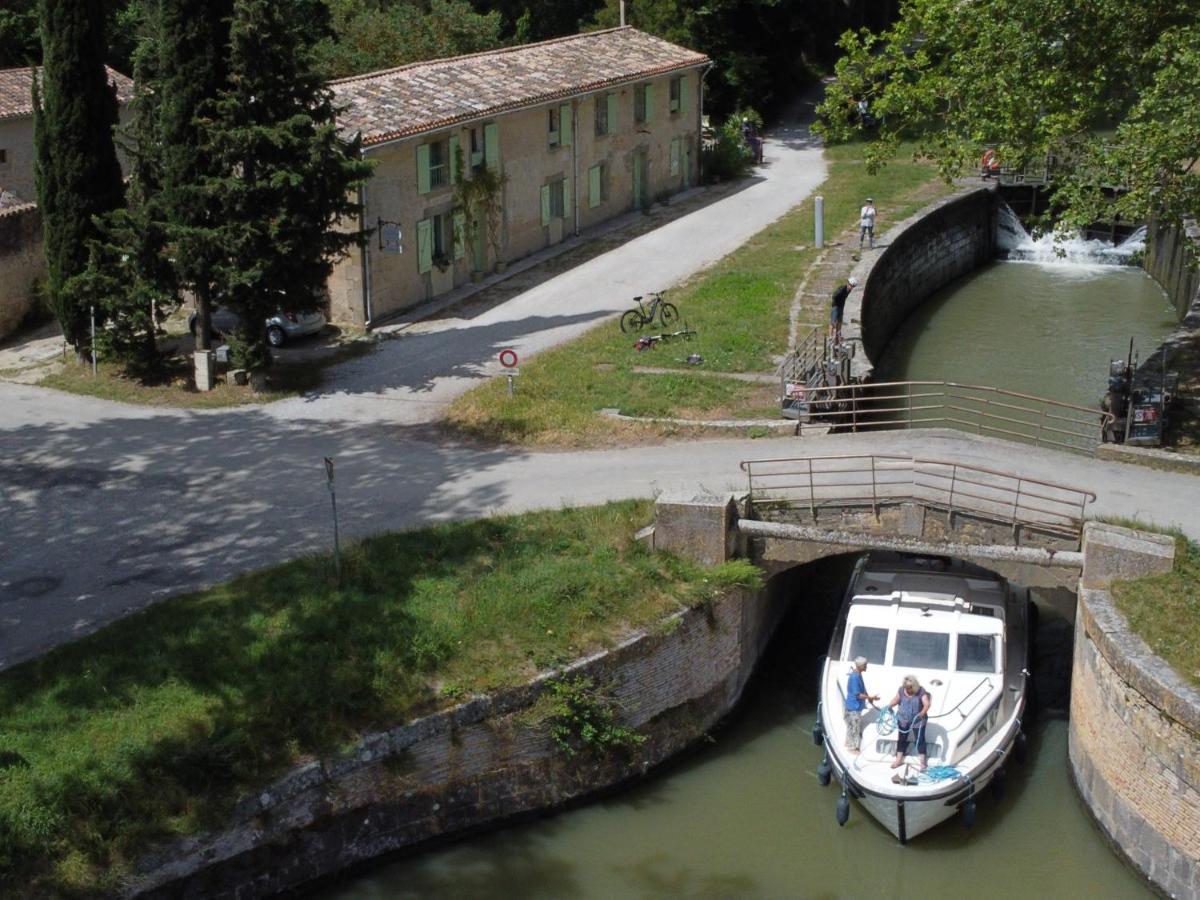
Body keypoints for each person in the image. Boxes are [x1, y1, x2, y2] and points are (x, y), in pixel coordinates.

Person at [888, 675, 932, 771]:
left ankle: (923, 762)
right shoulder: (901, 690)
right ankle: (898, 759)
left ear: (914, 686)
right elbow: (896, 699)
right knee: (901, 739)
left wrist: (922, 713)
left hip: (918, 720)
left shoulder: (921, 692)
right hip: (903, 719)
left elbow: (927, 704)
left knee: (920, 740)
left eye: (909, 688)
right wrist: (890, 705)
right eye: (906, 688)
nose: (907, 690)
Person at [844, 656, 880, 753]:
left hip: (856, 706)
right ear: (860, 666)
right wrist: (871, 698)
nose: (866, 666)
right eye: (865, 665)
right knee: (854, 727)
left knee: (853, 726)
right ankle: (853, 748)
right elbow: (858, 695)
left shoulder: (858, 674)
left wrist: (869, 698)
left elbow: (862, 689)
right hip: (853, 707)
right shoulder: (855, 677)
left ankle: (848, 743)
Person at [830, 276, 858, 343]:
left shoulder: (848, 291)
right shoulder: (842, 289)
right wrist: (836, 302)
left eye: (853, 286)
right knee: (833, 322)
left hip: (841, 307)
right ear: (848, 283)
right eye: (851, 285)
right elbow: (834, 296)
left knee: (839, 322)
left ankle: (838, 336)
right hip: (836, 306)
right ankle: (830, 337)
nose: (851, 287)